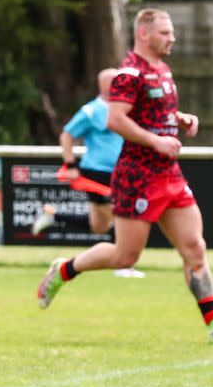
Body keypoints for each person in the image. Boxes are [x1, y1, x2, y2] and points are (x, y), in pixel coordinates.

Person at [37, 8, 213, 345]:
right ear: (144, 35)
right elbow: (116, 120)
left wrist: (180, 119)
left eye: (171, 32)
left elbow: (154, 113)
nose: (173, 38)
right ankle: (64, 269)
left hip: (169, 175)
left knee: (195, 248)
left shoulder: (163, 71)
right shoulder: (129, 73)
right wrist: (157, 140)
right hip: (137, 176)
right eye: (165, 33)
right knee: (126, 256)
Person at [31, 68, 145, 278]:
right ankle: (122, 265)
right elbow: (66, 136)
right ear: (104, 85)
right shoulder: (91, 111)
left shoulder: (126, 109)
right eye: (114, 82)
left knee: (99, 226)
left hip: (120, 172)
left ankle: (53, 215)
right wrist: (71, 165)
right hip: (97, 173)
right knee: (121, 214)